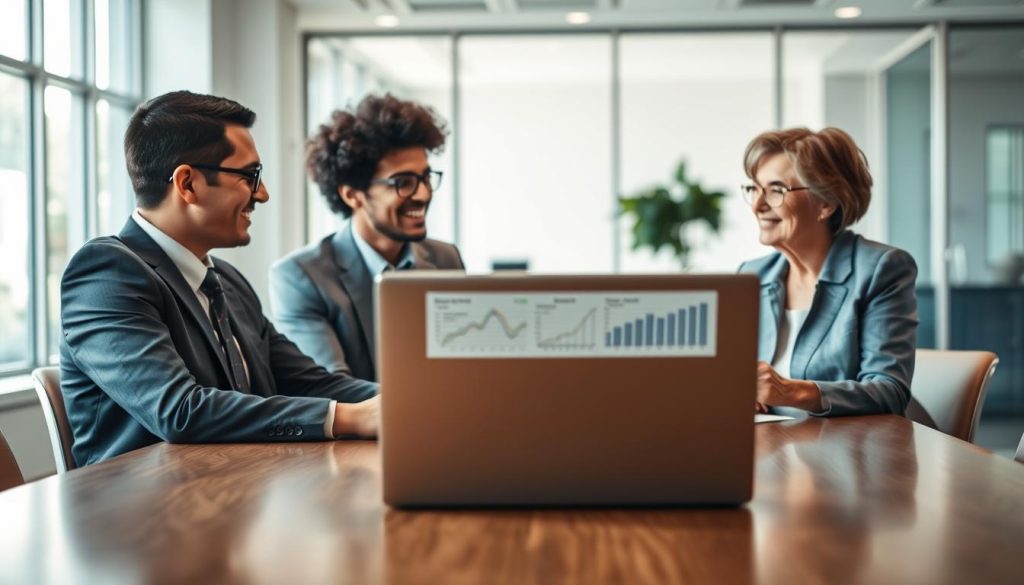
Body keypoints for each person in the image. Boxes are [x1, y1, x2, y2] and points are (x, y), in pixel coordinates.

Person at [60, 91, 379, 466]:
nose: (262, 194)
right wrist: (351, 417)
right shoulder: (105, 273)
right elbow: (180, 410)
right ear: (187, 184)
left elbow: (310, 383)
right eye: (250, 176)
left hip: (237, 484)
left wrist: (409, 402)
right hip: (143, 498)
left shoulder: (227, 280)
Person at [270, 94, 463, 381]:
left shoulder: (446, 259)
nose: (423, 194)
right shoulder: (300, 276)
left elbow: (460, 366)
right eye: (404, 183)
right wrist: (425, 399)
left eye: (425, 178)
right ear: (352, 195)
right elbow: (330, 385)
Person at [737, 127, 917, 416]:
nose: (757, 205)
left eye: (776, 190)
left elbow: (889, 390)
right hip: (770, 438)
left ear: (826, 203)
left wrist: (790, 392)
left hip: (845, 442)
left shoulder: (882, 270)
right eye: (754, 189)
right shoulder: (752, 276)